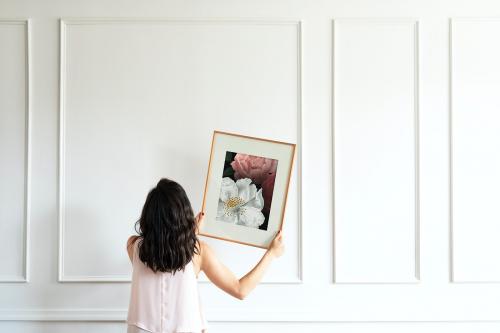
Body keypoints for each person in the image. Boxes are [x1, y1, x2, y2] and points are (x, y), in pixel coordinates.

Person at [126, 178, 284, 333]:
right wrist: (271, 254)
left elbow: (164, 255)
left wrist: (192, 234)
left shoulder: (133, 247)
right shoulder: (199, 252)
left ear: (148, 215)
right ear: (183, 215)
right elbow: (240, 289)